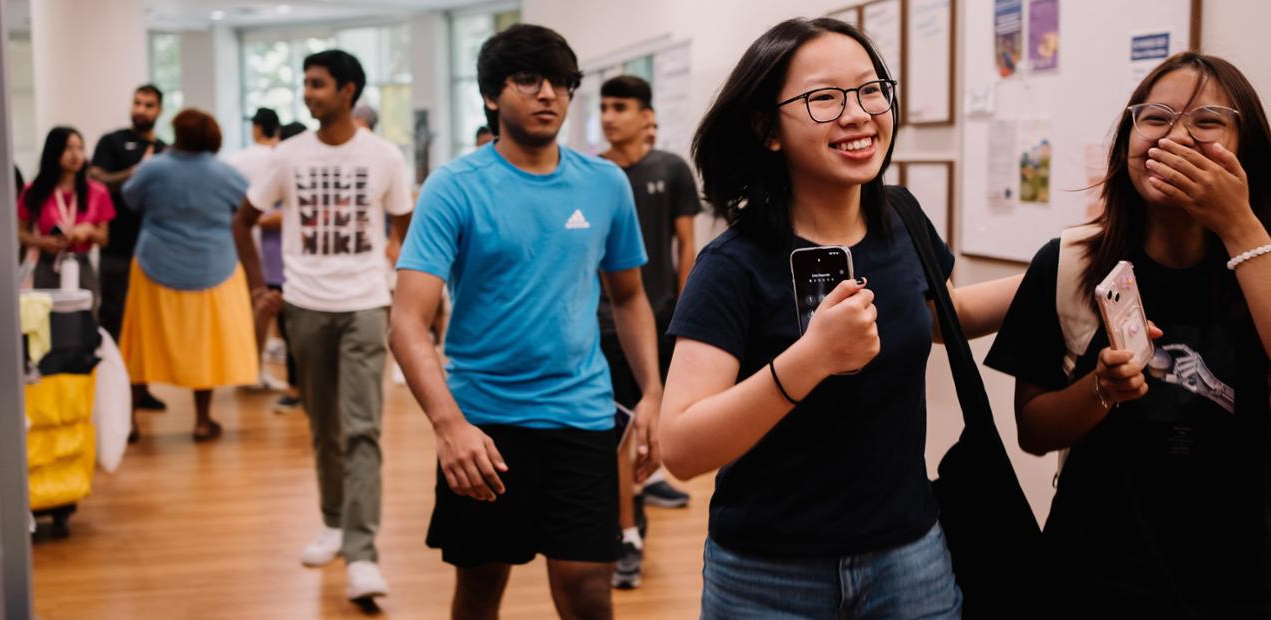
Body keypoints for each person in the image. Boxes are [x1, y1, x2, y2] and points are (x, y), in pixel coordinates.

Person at [984, 52, 1271, 618]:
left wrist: (1238, 225)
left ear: (1247, 150)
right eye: (1156, 117)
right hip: (1091, 579)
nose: (1177, 135)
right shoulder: (1068, 262)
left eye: (1208, 121)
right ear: (1128, 141)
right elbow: (1033, 432)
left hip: (1238, 582)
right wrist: (1101, 389)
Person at [659, 18, 1021, 617]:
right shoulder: (732, 264)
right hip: (767, 574)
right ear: (765, 128)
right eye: (823, 98)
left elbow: (941, 317)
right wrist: (810, 359)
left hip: (910, 558)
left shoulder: (902, 220)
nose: (857, 114)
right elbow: (682, 446)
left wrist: (1059, 271)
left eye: (871, 90)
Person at [392, 24, 661, 620]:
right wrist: (448, 427)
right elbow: (406, 322)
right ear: (491, 95)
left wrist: (653, 394)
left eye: (561, 83)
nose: (547, 94)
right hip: (485, 424)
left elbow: (629, 297)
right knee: (482, 588)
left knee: (587, 586)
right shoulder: (455, 188)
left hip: (582, 414)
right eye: (528, 80)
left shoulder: (604, 184)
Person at [233, 49, 413, 605]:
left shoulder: (383, 155)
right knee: (322, 425)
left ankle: (362, 553)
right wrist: (261, 288)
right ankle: (334, 520)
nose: (308, 93)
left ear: (348, 91)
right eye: (305, 84)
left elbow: (406, 221)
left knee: (361, 427)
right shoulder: (286, 155)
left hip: (364, 303)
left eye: (318, 84)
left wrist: (392, 266)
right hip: (304, 306)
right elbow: (243, 220)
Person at [595, 74, 700, 590]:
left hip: (660, 319)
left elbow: (687, 246)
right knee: (617, 429)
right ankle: (627, 532)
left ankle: (641, 494)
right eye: (603, 107)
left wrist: (686, 314)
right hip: (605, 323)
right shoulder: (592, 173)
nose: (609, 116)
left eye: (620, 107)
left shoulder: (671, 169)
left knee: (651, 422)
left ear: (645, 114)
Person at [119, 109, 257, 443]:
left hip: (155, 264)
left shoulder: (153, 169)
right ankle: (202, 420)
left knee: (142, 344)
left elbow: (129, 198)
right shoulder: (225, 173)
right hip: (213, 267)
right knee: (203, 346)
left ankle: (131, 422)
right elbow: (249, 205)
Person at [90, 84, 168, 412]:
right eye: (137, 103)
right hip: (116, 251)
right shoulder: (112, 142)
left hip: (153, 251)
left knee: (147, 325)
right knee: (115, 321)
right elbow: (96, 179)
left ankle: (140, 389)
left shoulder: (166, 150)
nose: (141, 109)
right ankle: (113, 395)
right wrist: (135, 173)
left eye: (149, 105)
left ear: (159, 110)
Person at [227, 107, 298, 404]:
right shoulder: (279, 160)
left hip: (255, 246)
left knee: (260, 308)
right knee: (275, 311)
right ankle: (257, 372)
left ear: (258, 128)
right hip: (273, 247)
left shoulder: (240, 160)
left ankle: (252, 370)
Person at [17, 127, 113, 299]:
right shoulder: (34, 191)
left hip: (81, 265)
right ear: (55, 150)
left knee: (85, 321)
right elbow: (19, 232)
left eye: (80, 148)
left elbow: (104, 238)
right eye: (69, 148)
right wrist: (42, 242)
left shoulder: (97, 191)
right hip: (47, 264)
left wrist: (89, 230)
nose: (76, 155)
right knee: (46, 320)